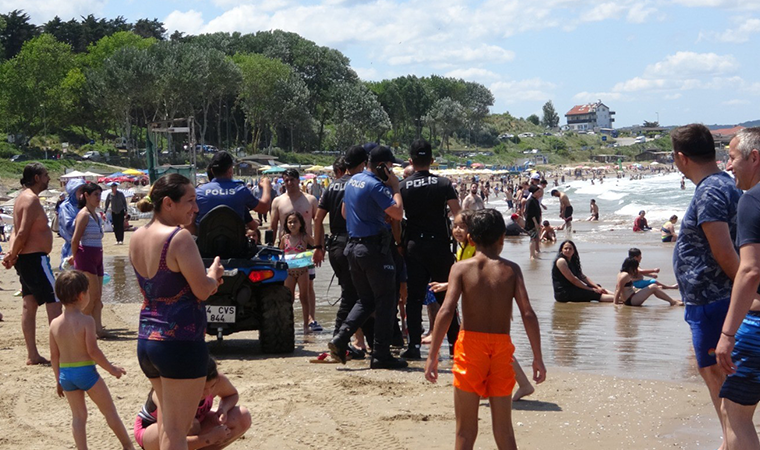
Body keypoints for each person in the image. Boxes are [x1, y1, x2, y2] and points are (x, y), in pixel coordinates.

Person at [424, 209, 546, 449]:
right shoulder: (511, 270)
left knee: (465, 432)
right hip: (501, 349)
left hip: (471, 348)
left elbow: (446, 312)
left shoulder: (461, 269)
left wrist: (432, 356)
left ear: (470, 239)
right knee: (504, 431)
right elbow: (528, 314)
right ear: (502, 238)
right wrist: (537, 358)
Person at [130, 174, 224, 450]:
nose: (196, 208)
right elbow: (201, 290)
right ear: (168, 203)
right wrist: (213, 275)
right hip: (180, 343)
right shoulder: (179, 238)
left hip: (148, 340)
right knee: (176, 430)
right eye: (191, 201)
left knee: (168, 426)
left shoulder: (137, 236)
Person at [671, 123, 742, 450]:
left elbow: (724, 251)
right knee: (717, 375)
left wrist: (749, 293)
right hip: (713, 300)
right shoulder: (723, 185)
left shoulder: (711, 190)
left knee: (717, 376)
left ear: (680, 158)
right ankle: (729, 441)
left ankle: (732, 442)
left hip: (714, 301)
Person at [328, 145, 407, 369]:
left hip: (353, 248)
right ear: (381, 166)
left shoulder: (353, 180)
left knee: (365, 299)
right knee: (385, 300)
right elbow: (398, 213)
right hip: (372, 249)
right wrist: (395, 187)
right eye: (390, 168)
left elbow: (344, 213)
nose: (392, 173)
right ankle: (381, 354)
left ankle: (341, 337)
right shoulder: (376, 185)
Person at [49, 270, 134, 450]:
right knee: (109, 411)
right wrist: (111, 369)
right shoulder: (86, 321)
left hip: (66, 375)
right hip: (86, 372)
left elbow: (54, 356)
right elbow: (93, 351)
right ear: (82, 296)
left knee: (78, 417)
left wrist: (58, 379)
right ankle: (127, 446)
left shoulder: (54, 324)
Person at [715, 127, 760, 450]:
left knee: (735, 414)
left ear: (754, 158)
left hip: (758, 327)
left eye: (732, 158)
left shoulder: (752, 201)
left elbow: (750, 270)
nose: (728, 166)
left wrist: (728, 334)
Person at [400, 139, 461, 360]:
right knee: (448, 295)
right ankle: (455, 345)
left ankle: (414, 345)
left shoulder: (402, 186)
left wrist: (399, 244)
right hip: (439, 245)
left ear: (411, 161)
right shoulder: (444, 184)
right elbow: (458, 215)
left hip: (414, 245)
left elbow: (397, 218)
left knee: (414, 298)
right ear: (432, 161)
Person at [3, 163, 62, 365]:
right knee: (54, 301)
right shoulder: (31, 200)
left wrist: (12, 253)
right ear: (37, 177)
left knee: (29, 304)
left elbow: (14, 231)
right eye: (46, 175)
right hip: (35, 259)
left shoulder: (21, 198)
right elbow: (22, 232)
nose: (48, 179)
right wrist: (13, 254)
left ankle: (33, 354)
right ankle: (59, 352)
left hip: (27, 259)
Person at [313, 153, 368, 360]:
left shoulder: (332, 187)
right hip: (353, 242)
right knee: (354, 296)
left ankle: (352, 340)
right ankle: (339, 339)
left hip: (334, 244)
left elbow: (318, 219)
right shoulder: (358, 184)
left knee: (351, 292)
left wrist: (318, 246)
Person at [134, 358, 252, 450]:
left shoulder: (217, 379)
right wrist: (209, 438)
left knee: (242, 416)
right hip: (153, 432)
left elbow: (232, 395)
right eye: (202, 389)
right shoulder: (171, 391)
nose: (208, 392)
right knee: (190, 424)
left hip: (194, 425)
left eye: (212, 386)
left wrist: (223, 409)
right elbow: (168, 439)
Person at [270, 169, 321, 332]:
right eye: (286, 180)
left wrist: (320, 248)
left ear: (299, 180)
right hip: (286, 252)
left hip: (305, 251)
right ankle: (288, 322)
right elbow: (272, 227)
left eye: (292, 180)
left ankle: (311, 319)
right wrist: (271, 251)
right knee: (287, 292)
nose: (289, 183)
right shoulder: (278, 201)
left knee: (309, 287)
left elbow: (318, 224)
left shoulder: (310, 200)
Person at [195, 151, 271, 232]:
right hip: (235, 243)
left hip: (206, 243)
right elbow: (264, 208)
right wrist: (266, 186)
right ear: (230, 171)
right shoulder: (241, 191)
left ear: (212, 171)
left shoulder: (198, 193)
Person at [68, 183, 107, 338]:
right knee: (90, 297)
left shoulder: (95, 215)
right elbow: (75, 239)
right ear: (86, 196)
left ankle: (98, 329)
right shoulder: (83, 215)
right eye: (95, 195)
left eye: (99, 194)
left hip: (97, 255)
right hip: (86, 257)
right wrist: (74, 256)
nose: (98, 198)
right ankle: (78, 329)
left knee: (98, 297)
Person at [279, 211, 316, 334]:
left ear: (300, 223)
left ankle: (306, 325)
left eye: (295, 222)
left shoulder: (304, 237)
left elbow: (316, 245)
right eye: (289, 222)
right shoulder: (285, 238)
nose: (292, 224)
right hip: (289, 272)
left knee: (304, 298)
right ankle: (288, 324)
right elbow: (280, 253)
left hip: (303, 272)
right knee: (289, 299)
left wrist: (315, 254)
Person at [613, 257, 682, 306]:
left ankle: (672, 300)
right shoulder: (625, 275)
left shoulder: (620, 273)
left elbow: (619, 288)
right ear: (631, 267)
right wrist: (615, 304)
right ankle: (672, 302)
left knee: (654, 287)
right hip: (631, 300)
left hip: (629, 298)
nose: (635, 271)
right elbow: (618, 290)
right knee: (654, 287)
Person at [59, 179, 86, 270]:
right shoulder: (65, 207)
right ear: (73, 192)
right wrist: (82, 221)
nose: (83, 194)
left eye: (84, 190)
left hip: (87, 246)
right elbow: (68, 227)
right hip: (72, 248)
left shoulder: (85, 206)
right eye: (80, 191)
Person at [524, 185, 542, 260]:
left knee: (535, 238)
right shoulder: (530, 201)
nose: (540, 193)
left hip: (536, 222)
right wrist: (535, 223)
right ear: (534, 192)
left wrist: (539, 222)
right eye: (538, 192)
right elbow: (530, 213)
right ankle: (532, 255)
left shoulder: (535, 200)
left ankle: (535, 252)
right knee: (533, 238)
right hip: (531, 223)